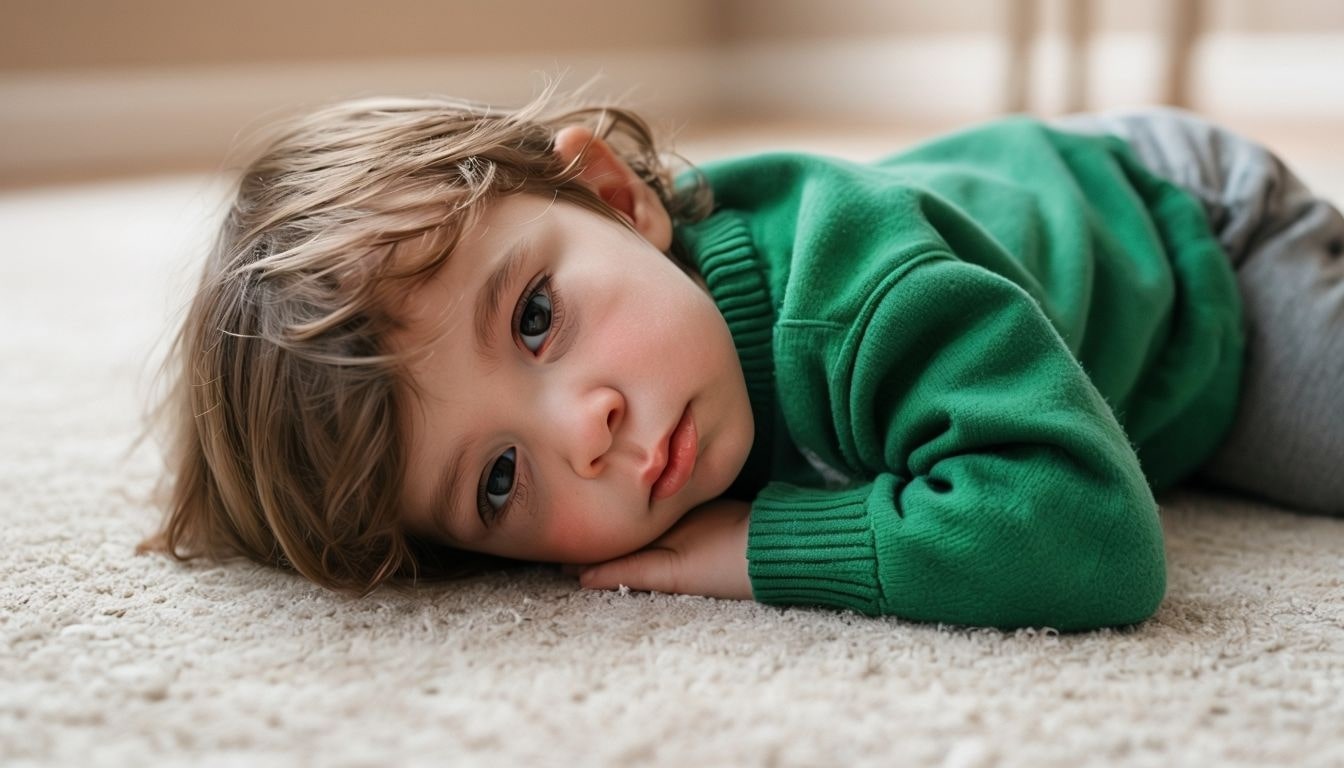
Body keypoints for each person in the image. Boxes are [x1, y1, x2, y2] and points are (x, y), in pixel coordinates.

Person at [138, 85, 1344, 633]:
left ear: (615, 195)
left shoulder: (855, 299)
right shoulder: (651, 360)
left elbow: (1092, 539)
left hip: (1186, 249)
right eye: (500, 480)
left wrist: (763, 550)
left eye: (537, 321)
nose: (584, 429)